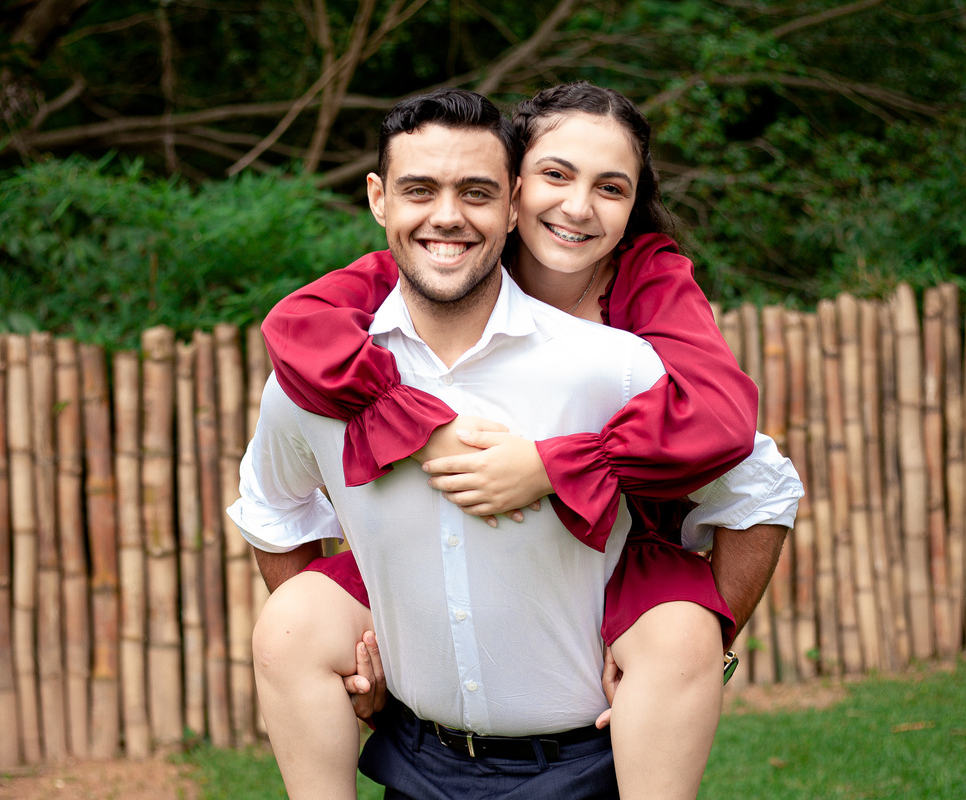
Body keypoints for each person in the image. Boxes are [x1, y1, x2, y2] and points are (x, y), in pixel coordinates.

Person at [255, 82, 801, 798]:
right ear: (518, 188)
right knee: (295, 621)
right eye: (556, 174)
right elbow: (299, 328)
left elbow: (730, 434)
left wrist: (556, 466)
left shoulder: (638, 311)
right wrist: (414, 425)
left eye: (611, 187)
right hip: (431, 601)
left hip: (616, 556)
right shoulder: (442, 259)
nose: (577, 206)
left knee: (677, 635)